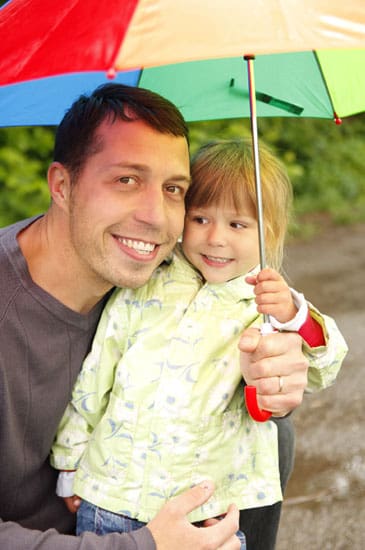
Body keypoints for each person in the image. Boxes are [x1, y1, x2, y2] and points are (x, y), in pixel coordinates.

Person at [50, 140, 347, 548]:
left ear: (269, 233)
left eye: (237, 225)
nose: (215, 238)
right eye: (201, 218)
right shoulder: (148, 283)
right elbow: (96, 373)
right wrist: (70, 461)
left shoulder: (263, 302)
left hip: (206, 514)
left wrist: (294, 315)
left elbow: (324, 363)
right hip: (111, 497)